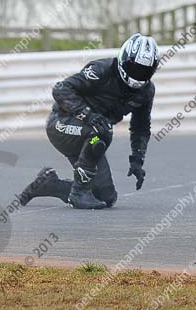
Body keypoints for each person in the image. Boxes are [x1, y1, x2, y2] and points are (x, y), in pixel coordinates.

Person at [19, 33, 159, 209]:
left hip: (92, 138)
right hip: (62, 124)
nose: (138, 75)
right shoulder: (101, 70)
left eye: (144, 71)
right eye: (134, 68)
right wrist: (87, 115)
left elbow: (141, 126)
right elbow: (61, 90)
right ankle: (79, 192)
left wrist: (137, 159)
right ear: (123, 59)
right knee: (102, 130)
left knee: (106, 196)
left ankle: (48, 184)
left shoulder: (146, 91)